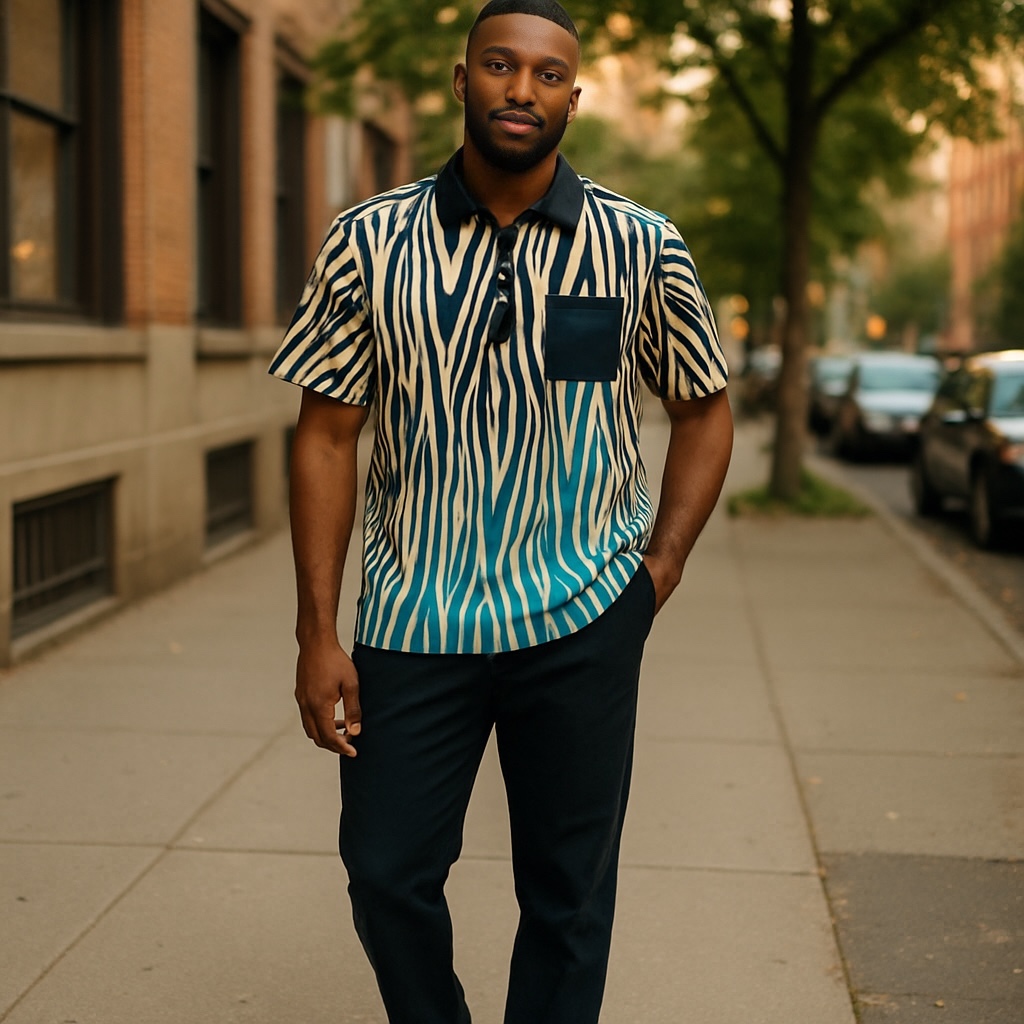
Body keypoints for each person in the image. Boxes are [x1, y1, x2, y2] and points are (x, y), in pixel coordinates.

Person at [269, 1, 733, 1021]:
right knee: (386, 872)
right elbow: (324, 435)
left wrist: (658, 568)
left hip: (580, 617)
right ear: (460, 79)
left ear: (574, 95)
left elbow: (703, 407)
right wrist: (316, 629)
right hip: (411, 618)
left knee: (567, 895)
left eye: (547, 75)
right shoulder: (368, 241)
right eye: (499, 65)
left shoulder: (640, 246)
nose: (521, 90)